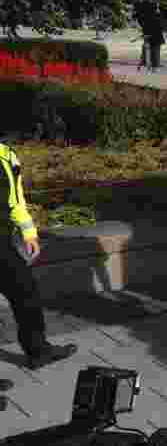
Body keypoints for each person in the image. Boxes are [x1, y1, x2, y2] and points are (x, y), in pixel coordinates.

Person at [0, 142, 77, 374]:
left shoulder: (6, 155)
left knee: (25, 290)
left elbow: (15, 199)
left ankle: (38, 351)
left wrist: (29, 232)